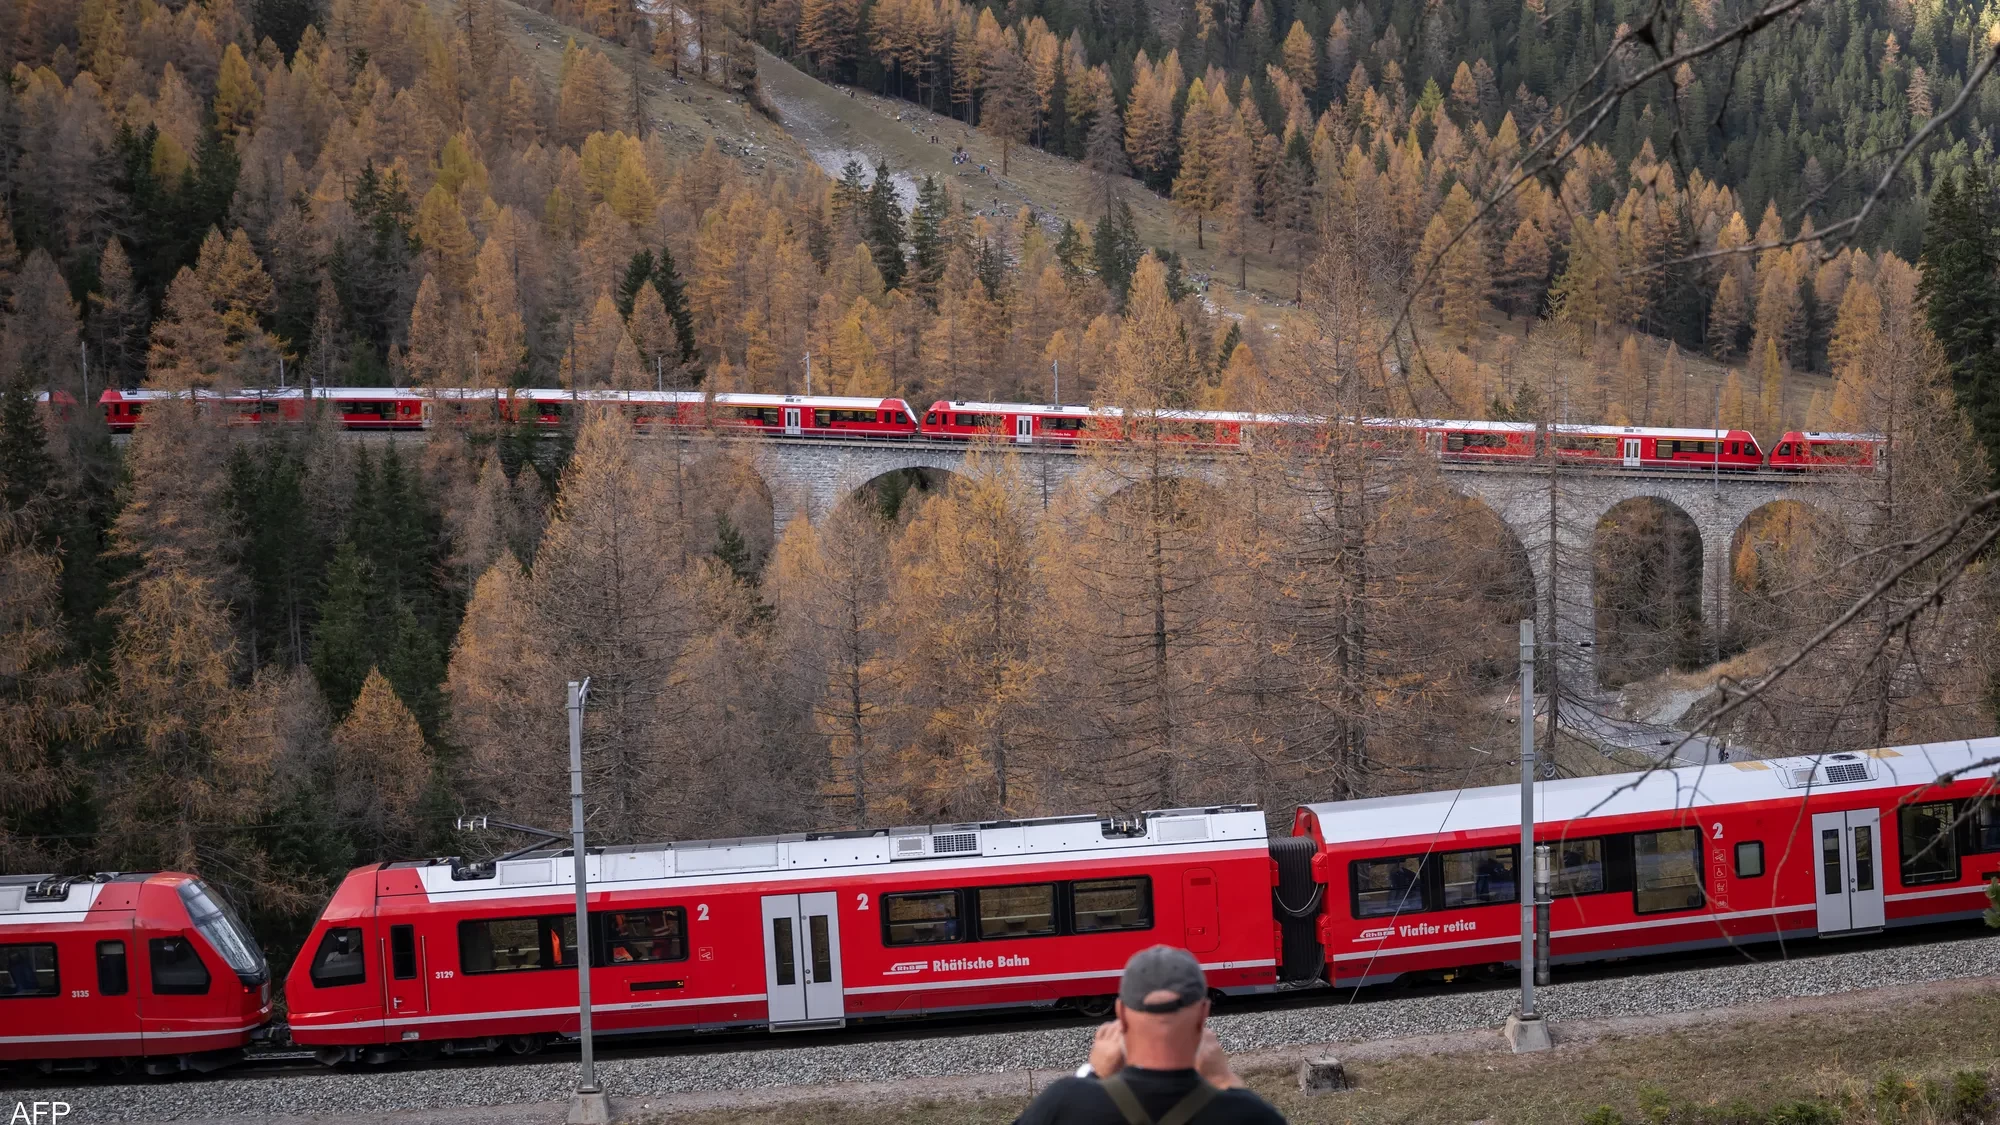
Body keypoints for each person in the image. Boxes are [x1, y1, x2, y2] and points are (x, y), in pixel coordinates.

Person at [1012, 945, 1286, 1125]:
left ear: (1121, 1013)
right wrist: (1224, 1079)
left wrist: (1091, 1072)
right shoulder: (1248, 1116)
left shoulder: (1065, 1103)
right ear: (1204, 1014)